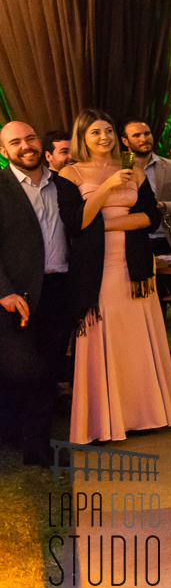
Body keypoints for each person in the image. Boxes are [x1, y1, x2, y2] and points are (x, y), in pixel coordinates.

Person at [60, 110, 171, 443]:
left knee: (138, 338)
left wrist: (100, 226)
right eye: (96, 132)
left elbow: (150, 219)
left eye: (109, 131)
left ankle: (147, 413)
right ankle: (105, 421)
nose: (104, 137)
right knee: (106, 336)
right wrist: (108, 187)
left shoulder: (134, 171)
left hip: (136, 266)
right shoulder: (69, 174)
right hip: (97, 269)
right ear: (82, 136)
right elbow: (74, 222)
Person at [0, 121, 94, 465]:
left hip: (59, 288)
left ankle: (35, 448)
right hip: (16, 295)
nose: (25, 145)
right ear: (3, 151)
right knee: (23, 369)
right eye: (15, 142)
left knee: (50, 367)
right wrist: (4, 292)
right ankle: (16, 435)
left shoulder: (64, 182)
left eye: (29, 138)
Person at [121, 119, 171, 254]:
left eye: (147, 133)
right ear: (125, 141)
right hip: (126, 240)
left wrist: (164, 206)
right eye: (136, 135)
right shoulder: (117, 168)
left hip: (164, 240)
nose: (144, 139)